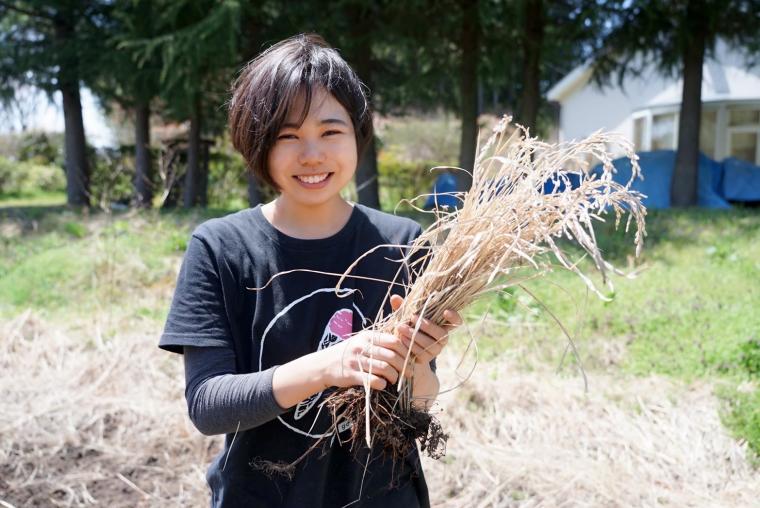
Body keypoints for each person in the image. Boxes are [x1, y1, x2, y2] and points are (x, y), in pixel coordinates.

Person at [158, 33, 462, 508]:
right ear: (258, 144)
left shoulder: (403, 243)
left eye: (330, 131)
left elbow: (419, 405)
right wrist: (327, 366)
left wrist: (418, 363)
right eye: (287, 136)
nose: (312, 154)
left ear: (357, 133)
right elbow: (207, 404)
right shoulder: (221, 248)